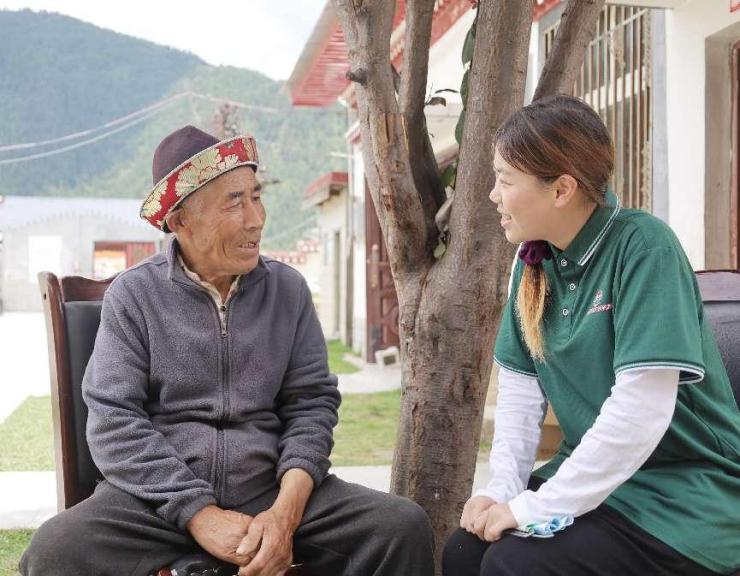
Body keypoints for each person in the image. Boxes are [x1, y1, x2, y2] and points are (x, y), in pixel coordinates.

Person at [21, 125, 435, 576]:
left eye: (256, 196)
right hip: (157, 502)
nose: (255, 219)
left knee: (400, 526)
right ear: (180, 221)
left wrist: (285, 514)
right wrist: (199, 514)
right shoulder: (134, 295)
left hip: (270, 489)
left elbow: (311, 404)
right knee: (53, 551)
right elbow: (113, 420)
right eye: (234, 202)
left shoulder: (288, 290)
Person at [443, 95, 740, 576]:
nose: (493, 195)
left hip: (683, 494)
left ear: (561, 189)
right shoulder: (533, 261)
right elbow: (520, 393)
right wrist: (503, 490)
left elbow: (641, 411)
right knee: (464, 552)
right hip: (599, 482)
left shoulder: (645, 248)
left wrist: (536, 508)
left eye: (505, 180)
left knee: (515, 564)